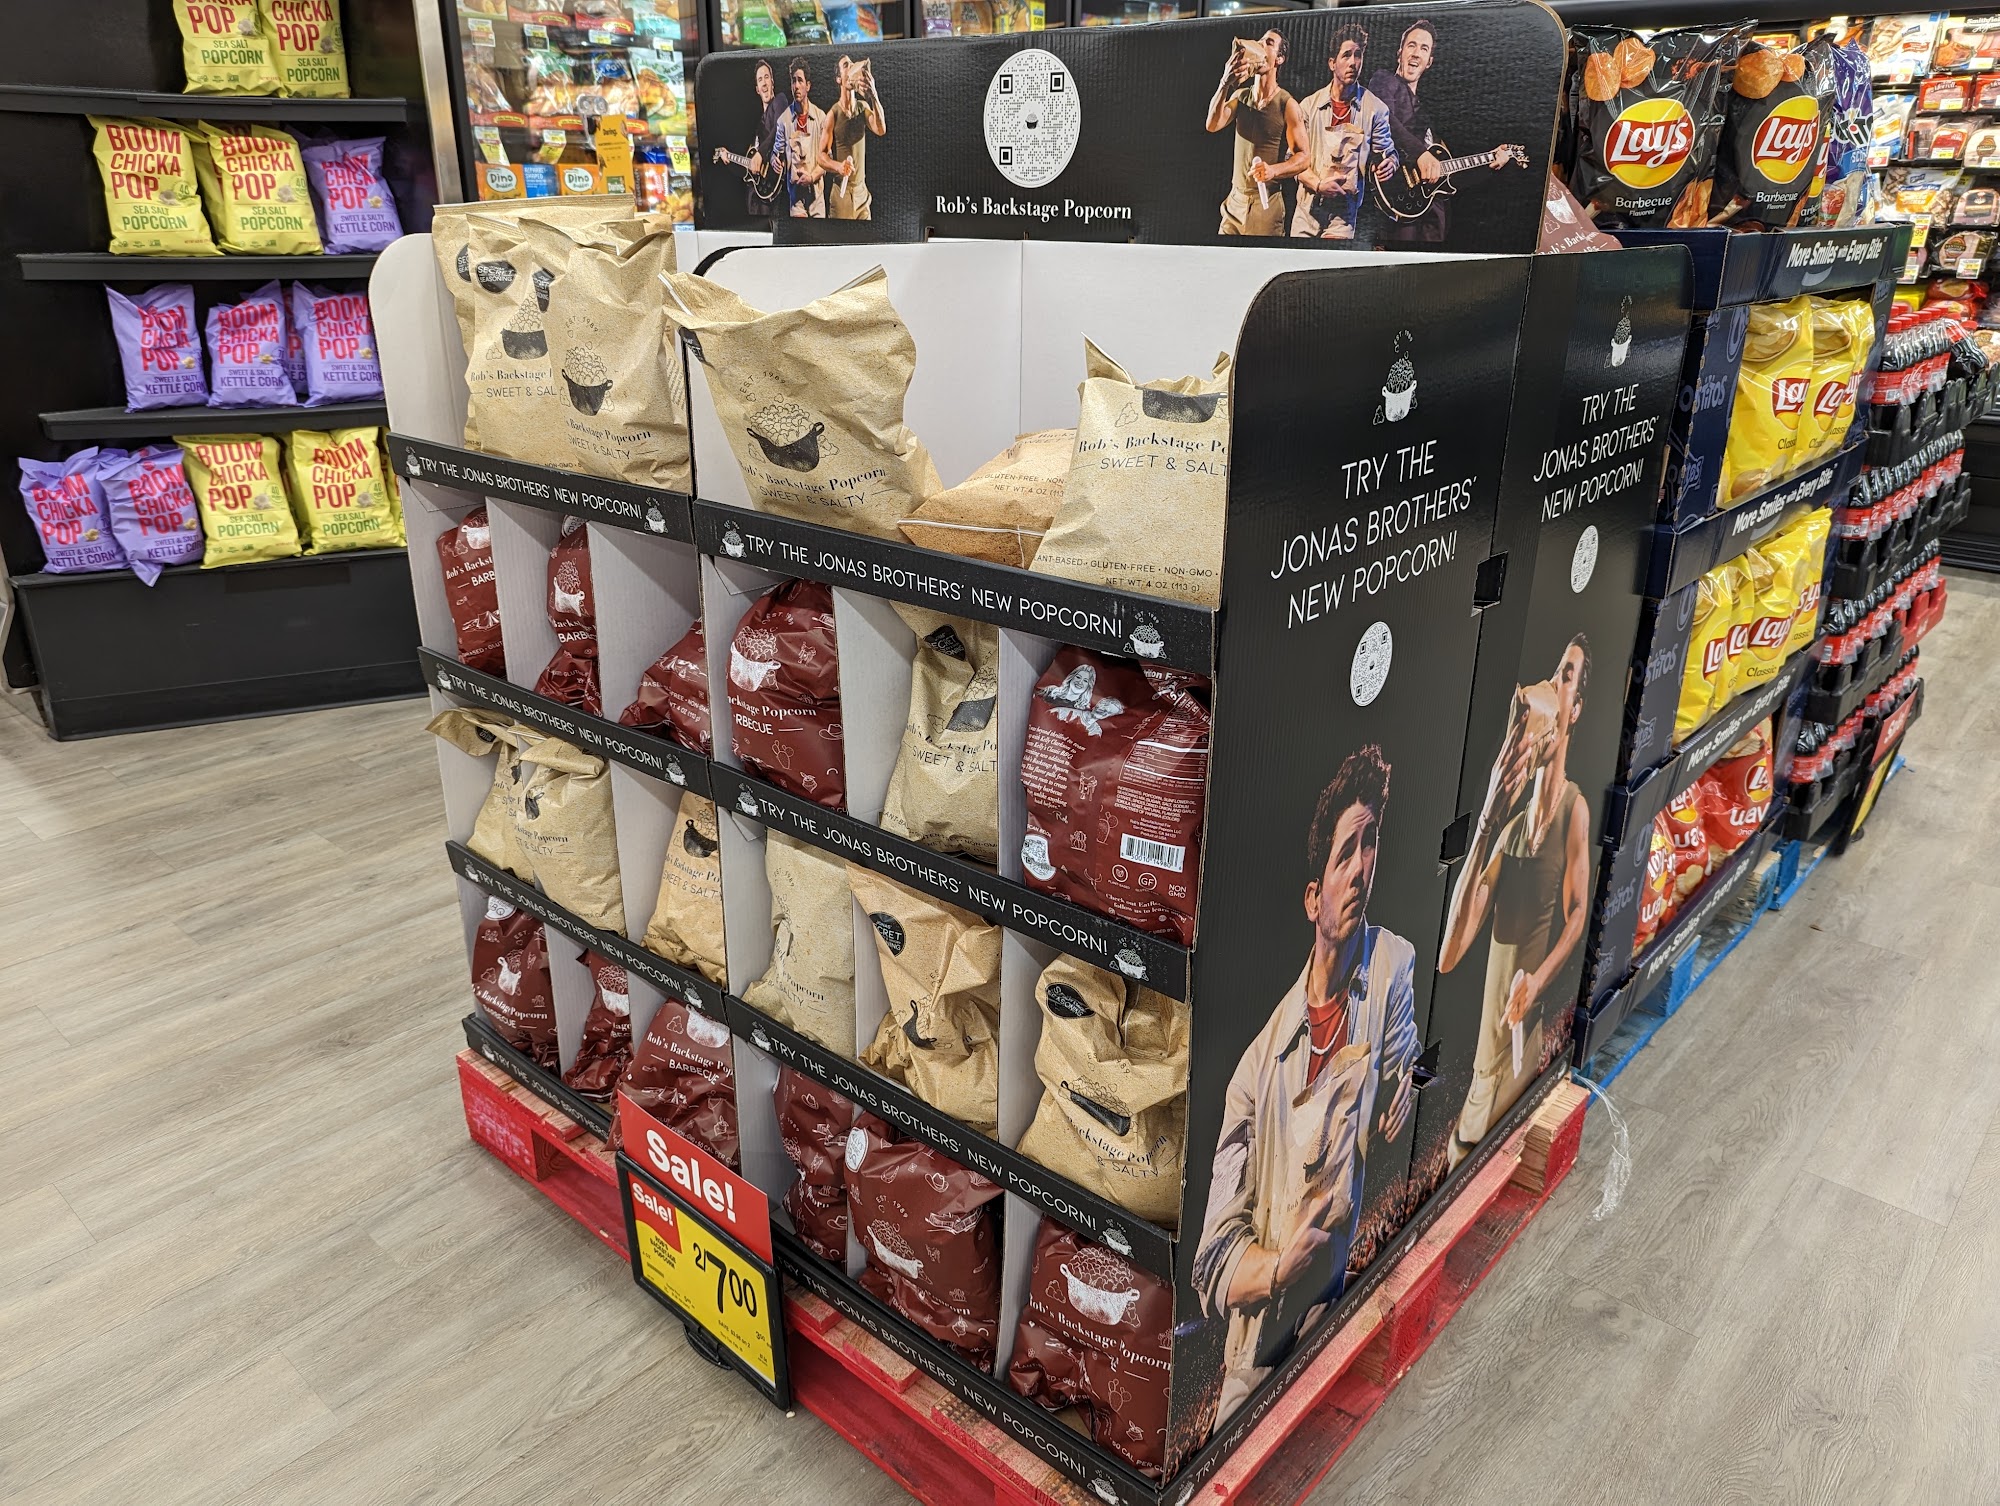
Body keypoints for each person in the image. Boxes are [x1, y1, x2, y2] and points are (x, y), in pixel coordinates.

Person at [1192, 746, 1418, 1427]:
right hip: (1258, 1344)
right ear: (1313, 897)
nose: (1363, 868)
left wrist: (1401, 1095)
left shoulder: (1391, 967)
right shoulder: (1256, 1068)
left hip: (1336, 1302)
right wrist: (1277, 1268)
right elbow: (1212, 1260)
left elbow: (1401, 1071)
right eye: (1347, 852)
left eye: (1371, 844)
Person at [1440, 637, 1593, 1167]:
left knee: (1480, 1154)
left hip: (1522, 1042)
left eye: (1566, 676)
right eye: (1555, 671)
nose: (1553, 683)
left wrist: (1538, 980)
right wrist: (1487, 818)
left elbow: (1578, 915)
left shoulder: (1574, 809)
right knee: (1466, 1151)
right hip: (1485, 1065)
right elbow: (1450, 952)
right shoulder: (1509, 832)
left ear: (1576, 709)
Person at [1366, 19, 1503, 244]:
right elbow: (1383, 118)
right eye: (1411, 45)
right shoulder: (1384, 80)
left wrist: (1491, 161)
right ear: (1400, 53)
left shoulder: (1426, 117)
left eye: (1424, 48)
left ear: (1429, 61)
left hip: (1431, 222)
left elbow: (1448, 173)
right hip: (1397, 204)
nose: (1416, 53)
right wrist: (1421, 154)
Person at [1290, 23, 1398, 240]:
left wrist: (1391, 163)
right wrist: (1318, 185)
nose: (1353, 62)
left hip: (1344, 212)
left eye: (1358, 55)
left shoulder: (1376, 109)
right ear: (1332, 63)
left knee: (1331, 260)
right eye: (1346, 55)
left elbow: (1387, 153)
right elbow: (1293, 161)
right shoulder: (1308, 107)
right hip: (1307, 209)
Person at [1206, 29, 1308, 237]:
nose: (1261, 45)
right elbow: (1212, 124)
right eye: (1260, 41)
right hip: (1235, 201)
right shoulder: (1241, 96)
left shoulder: (1287, 104)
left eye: (1269, 43)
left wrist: (1273, 170)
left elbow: (1304, 157)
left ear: (1279, 59)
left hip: (1265, 203)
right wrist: (1225, 82)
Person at [818, 55, 885, 222]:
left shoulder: (863, 107)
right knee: (842, 237)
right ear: (839, 79)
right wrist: (839, 166)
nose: (851, 67)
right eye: (846, 65)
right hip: (843, 193)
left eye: (852, 64)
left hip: (862, 192)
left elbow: (880, 129)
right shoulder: (833, 114)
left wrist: (873, 94)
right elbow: (821, 156)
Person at [776, 58, 827, 218]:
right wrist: (775, 160)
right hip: (796, 199)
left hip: (817, 198)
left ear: (808, 85)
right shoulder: (783, 121)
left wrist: (811, 177)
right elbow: (776, 154)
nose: (796, 86)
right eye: (793, 81)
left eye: (800, 80)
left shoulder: (820, 117)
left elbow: (827, 160)